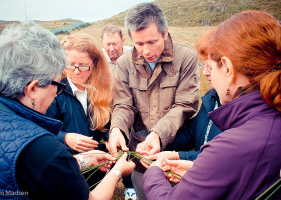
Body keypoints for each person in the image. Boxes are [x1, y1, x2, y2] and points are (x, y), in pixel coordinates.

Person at [0, 21, 135, 200]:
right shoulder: (44, 149)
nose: (57, 91)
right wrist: (117, 171)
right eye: (55, 83)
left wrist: (83, 160)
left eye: (83, 65)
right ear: (32, 89)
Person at [142, 10, 281, 200]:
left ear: (227, 68)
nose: (207, 74)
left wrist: (154, 172)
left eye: (210, 66)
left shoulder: (232, 145)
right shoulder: (269, 120)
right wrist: (198, 168)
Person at [108, 3, 200, 200]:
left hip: (178, 153)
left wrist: (158, 134)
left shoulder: (186, 57)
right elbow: (123, 104)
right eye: (138, 44)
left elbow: (186, 104)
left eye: (152, 41)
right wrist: (117, 128)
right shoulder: (124, 63)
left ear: (165, 33)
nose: (145, 50)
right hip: (142, 156)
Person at [45, 33, 113, 188]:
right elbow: (41, 130)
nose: (76, 71)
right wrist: (65, 138)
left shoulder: (103, 89)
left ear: (95, 64)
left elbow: (107, 125)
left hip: (99, 170)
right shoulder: (53, 92)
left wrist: (109, 141)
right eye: (70, 64)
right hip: (67, 171)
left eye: (83, 65)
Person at [148, 29, 222, 163]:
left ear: (229, 67)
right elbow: (192, 131)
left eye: (210, 67)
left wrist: (177, 157)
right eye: (203, 65)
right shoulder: (212, 98)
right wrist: (159, 139)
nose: (205, 72)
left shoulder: (241, 112)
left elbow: (217, 158)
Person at [101, 24, 136, 200]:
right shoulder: (98, 60)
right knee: (112, 147)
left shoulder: (134, 56)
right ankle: (106, 182)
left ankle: (130, 186)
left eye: (115, 43)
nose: (111, 48)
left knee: (128, 148)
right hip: (107, 113)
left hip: (129, 112)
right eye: (107, 44)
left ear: (123, 41)